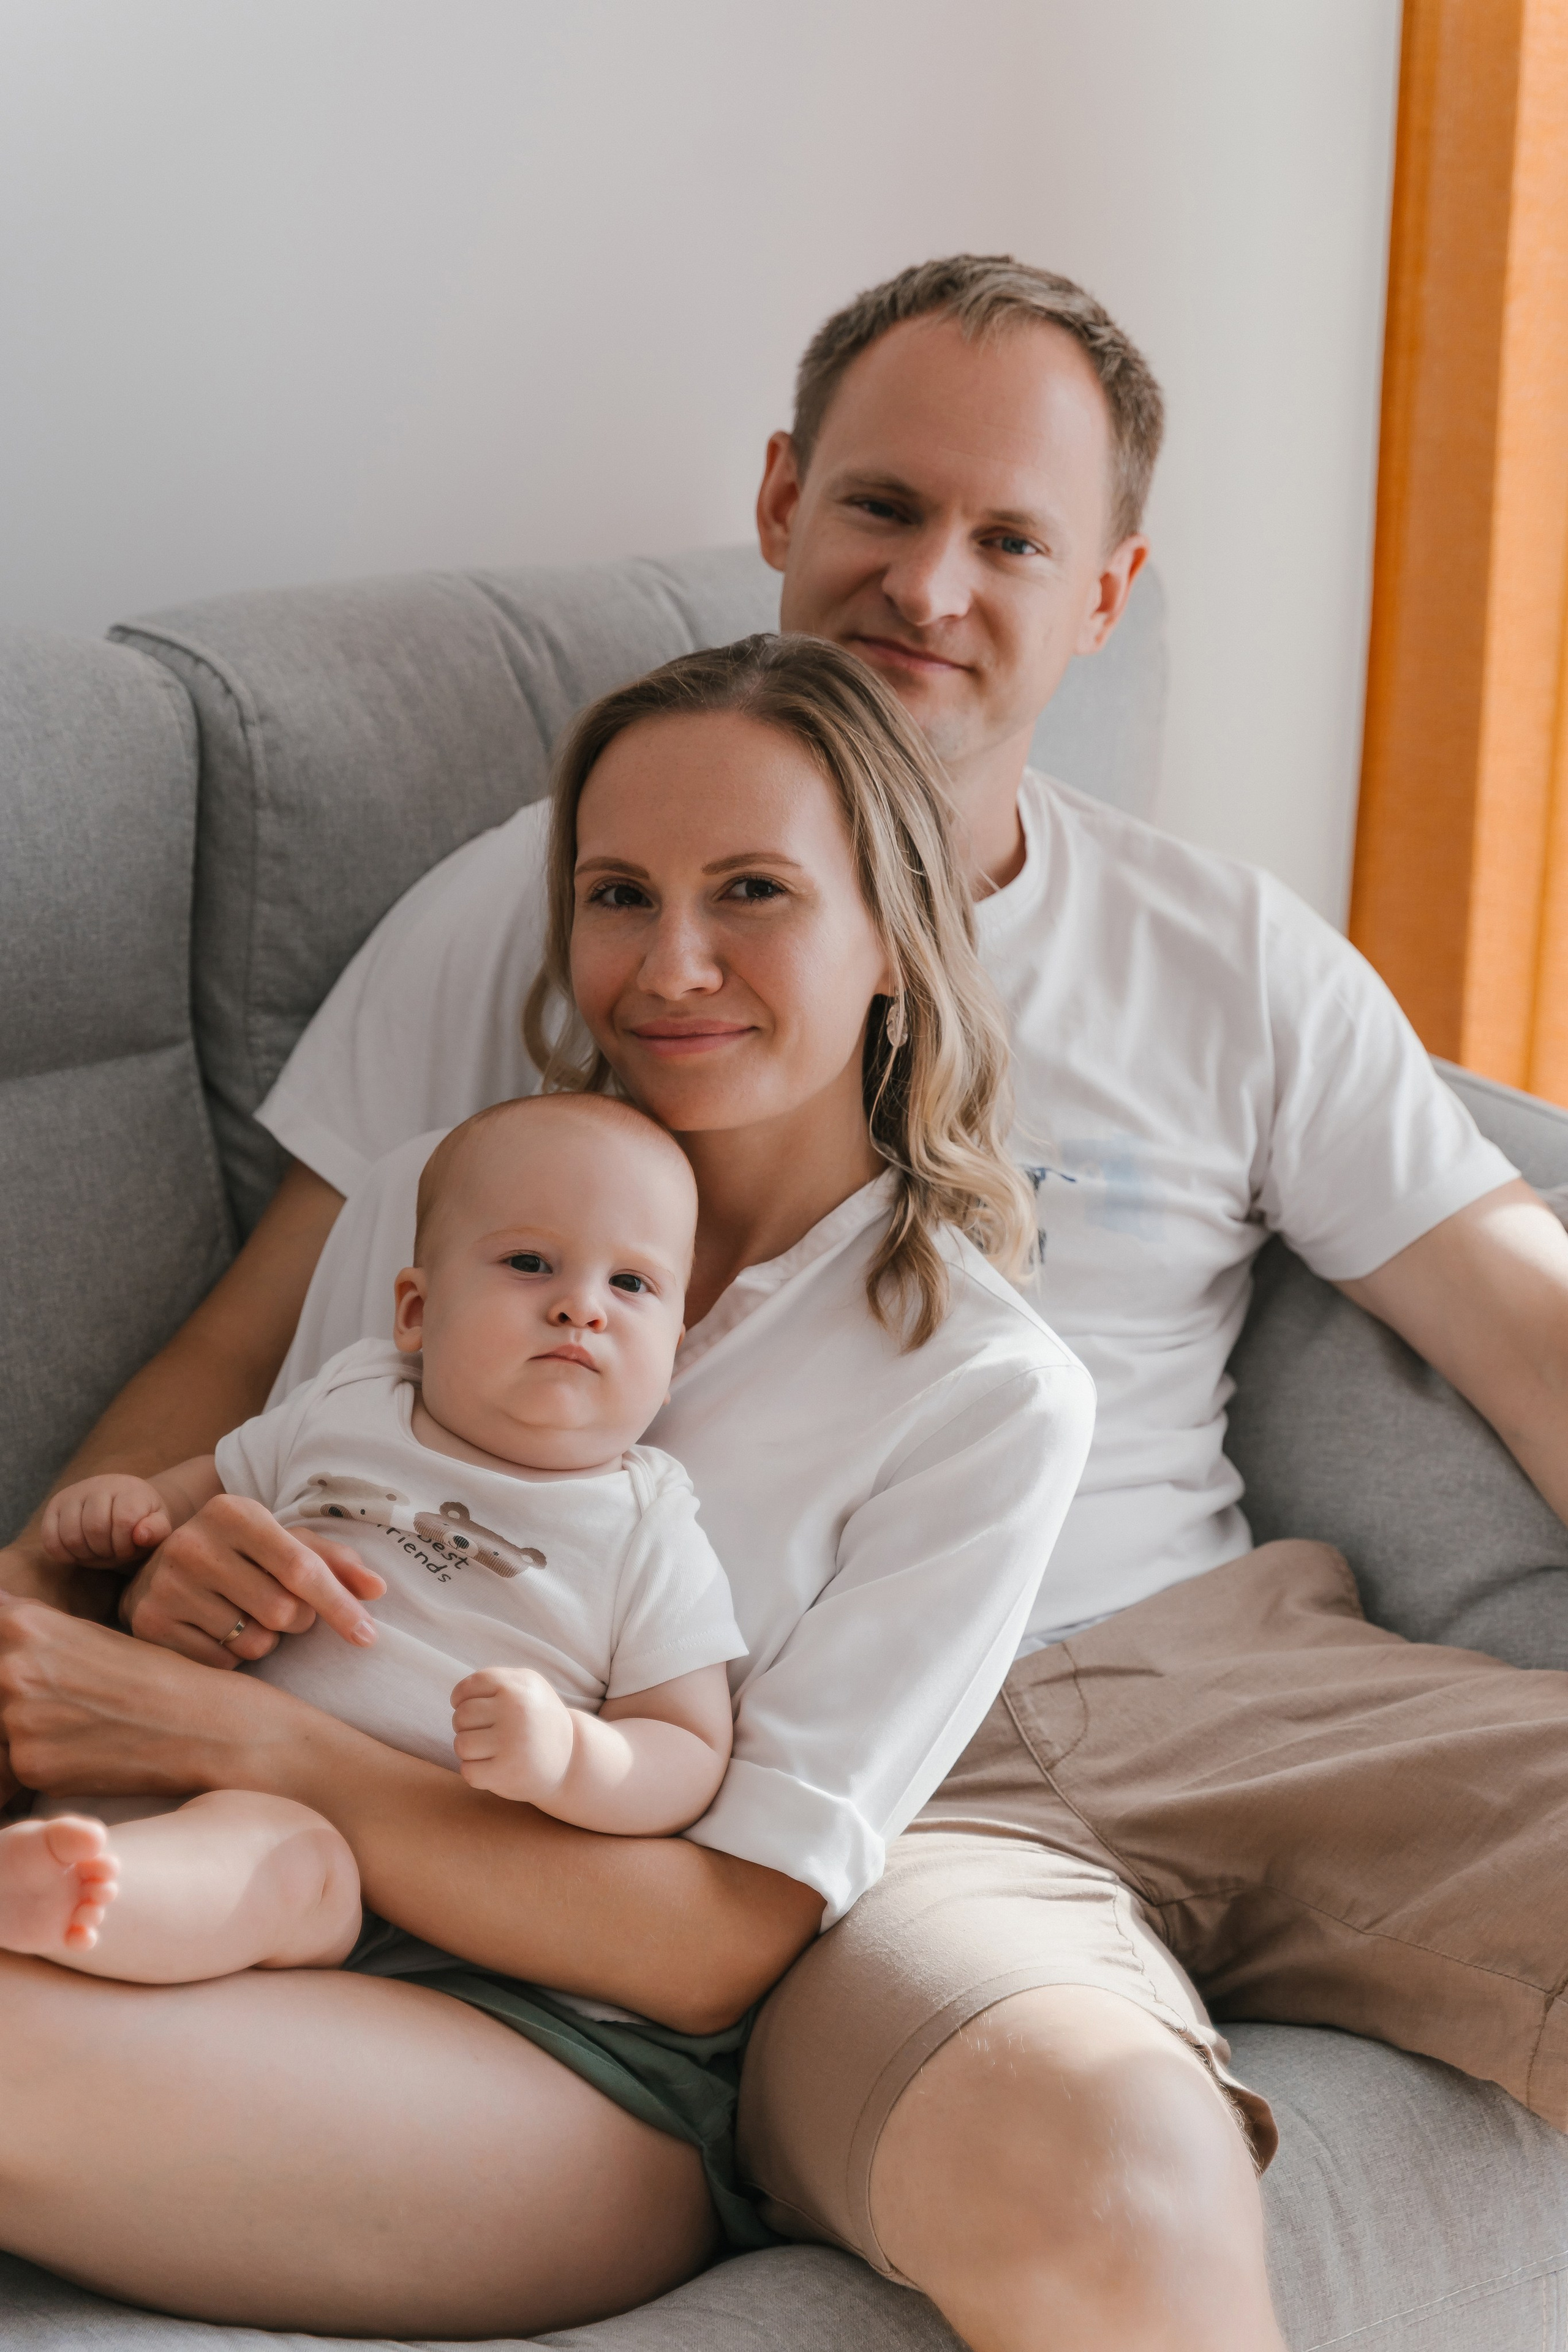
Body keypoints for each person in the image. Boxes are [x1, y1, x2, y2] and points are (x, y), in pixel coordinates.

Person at [10, 253, 1568, 2352]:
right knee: (1090, 2156)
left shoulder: (1186, 1018)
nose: (669, 970)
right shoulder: (498, 1010)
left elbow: (1512, 1311)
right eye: (882, 507)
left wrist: (213, 1714)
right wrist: (102, 1584)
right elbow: (246, 1387)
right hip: (725, 1811)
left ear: (1103, 594)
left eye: (1009, 536)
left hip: (1148, 1684)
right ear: (778, 500)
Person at [0, 632, 1095, 2339]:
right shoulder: (439, 1211)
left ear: (893, 931)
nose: (671, 965)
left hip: (569, 2061)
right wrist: (184, 1594)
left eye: (752, 892)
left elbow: (709, 1944)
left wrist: (233, 1737)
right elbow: (317, 1558)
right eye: (616, 893)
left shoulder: (984, 1392)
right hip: (241, 1899)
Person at [5, 1095, 746, 2004]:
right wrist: (130, 1509)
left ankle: (89, 1905)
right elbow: (215, 1483)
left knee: (276, 1859)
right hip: (167, 1750)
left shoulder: (647, 1528)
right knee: (93, 1806)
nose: (580, 1309)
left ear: (674, 1348)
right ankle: (58, 1881)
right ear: (416, 1311)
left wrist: (570, 1758)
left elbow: (686, 1743)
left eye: (631, 1285)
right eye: (529, 1263)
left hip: (380, 1871)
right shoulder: (352, 1399)